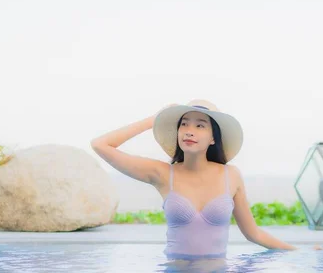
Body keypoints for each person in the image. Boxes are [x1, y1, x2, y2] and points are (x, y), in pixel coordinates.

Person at [91, 99, 296, 259]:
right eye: (184, 124)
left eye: (200, 126)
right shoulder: (162, 174)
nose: (189, 131)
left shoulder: (231, 176)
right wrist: (152, 120)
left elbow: (254, 234)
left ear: (213, 137)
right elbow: (101, 145)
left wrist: (295, 251)